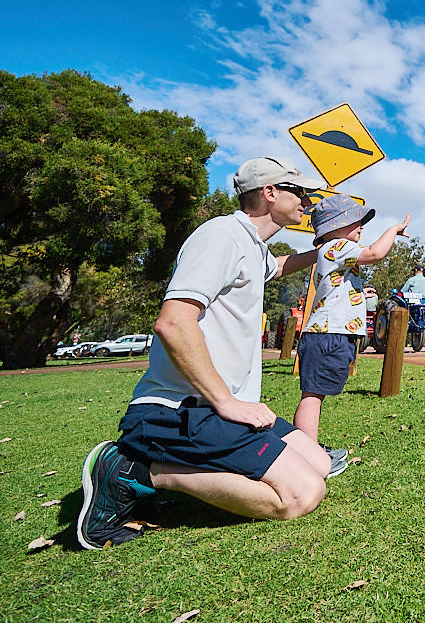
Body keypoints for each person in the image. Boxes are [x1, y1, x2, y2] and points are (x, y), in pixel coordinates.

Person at [77, 157, 329, 550]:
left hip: (212, 408)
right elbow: (174, 323)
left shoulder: (252, 245)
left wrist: (325, 250)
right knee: (301, 494)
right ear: (269, 193)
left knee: (320, 463)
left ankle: (177, 467)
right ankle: (135, 471)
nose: (306, 200)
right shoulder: (221, 235)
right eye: (298, 192)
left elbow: (274, 268)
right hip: (179, 409)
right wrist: (225, 401)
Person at [293, 195, 410, 472]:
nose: (361, 227)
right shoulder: (335, 246)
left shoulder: (333, 252)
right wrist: (393, 230)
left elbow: (334, 288)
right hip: (327, 335)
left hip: (328, 334)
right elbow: (374, 254)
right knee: (313, 396)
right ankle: (307, 457)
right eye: (356, 221)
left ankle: (307, 449)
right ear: (336, 224)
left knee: (314, 394)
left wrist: (359, 291)